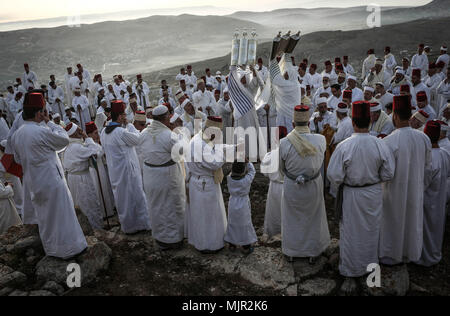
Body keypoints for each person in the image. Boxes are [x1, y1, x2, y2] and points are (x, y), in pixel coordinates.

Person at [10, 92, 87, 259]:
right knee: (62, 214)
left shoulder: (17, 134)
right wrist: (50, 123)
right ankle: (71, 249)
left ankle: (52, 250)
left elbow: (17, 158)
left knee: (46, 217)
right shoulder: (41, 131)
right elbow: (64, 141)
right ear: (39, 113)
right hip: (52, 181)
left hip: (34, 182)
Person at [327, 101, 395, 278]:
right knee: (371, 229)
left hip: (352, 194)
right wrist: (373, 178)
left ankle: (351, 269)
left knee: (351, 230)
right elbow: (389, 173)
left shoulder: (345, 146)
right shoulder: (380, 144)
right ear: (369, 122)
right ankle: (370, 267)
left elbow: (334, 175)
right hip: (373, 192)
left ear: (354, 123)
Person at [379, 95, 432, 265]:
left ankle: (390, 257)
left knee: (393, 222)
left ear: (394, 115)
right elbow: (428, 167)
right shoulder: (423, 138)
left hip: (394, 192)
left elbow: (385, 174)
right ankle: (409, 255)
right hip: (415, 190)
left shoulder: (389, 141)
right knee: (411, 222)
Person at [280, 105, 330, 262]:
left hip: (291, 185)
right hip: (313, 185)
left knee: (292, 218)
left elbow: (281, 169)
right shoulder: (321, 139)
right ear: (309, 123)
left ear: (293, 124)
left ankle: (291, 251)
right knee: (312, 217)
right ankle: (312, 252)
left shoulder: (284, 142)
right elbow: (321, 162)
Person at [100, 100, 151, 234]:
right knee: (136, 196)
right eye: (124, 115)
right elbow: (138, 139)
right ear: (120, 116)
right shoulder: (120, 132)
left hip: (115, 172)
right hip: (128, 172)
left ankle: (128, 226)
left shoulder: (104, 132)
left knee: (122, 199)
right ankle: (142, 224)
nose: (126, 117)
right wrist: (130, 125)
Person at [140, 105, 186, 249]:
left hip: (150, 175)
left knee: (156, 207)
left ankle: (160, 238)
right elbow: (182, 152)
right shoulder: (169, 135)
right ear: (165, 118)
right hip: (167, 176)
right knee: (172, 207)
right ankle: (173, 240)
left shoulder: (143, 133)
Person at [187, 116, 228, 254]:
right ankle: (209, 245)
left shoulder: (201, 138)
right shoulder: (200, 144)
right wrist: (224, 151)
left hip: (202, 183)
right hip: (203, 184)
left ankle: (209, 242)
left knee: (208, 215)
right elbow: (215, 162)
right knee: (207, 217)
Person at [415, 121, 450, 267]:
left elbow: (422, 183)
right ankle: (434, 254)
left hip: (428, 199)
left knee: (426, 229)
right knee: (436, 228)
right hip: (440, 197)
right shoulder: (444, 154)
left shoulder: (429, 159)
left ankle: (424, 258)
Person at [62, 123, 104, 230]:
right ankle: (94, 228)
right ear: (76, 133)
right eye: (80, 130)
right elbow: (98, 150)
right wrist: (87, 138)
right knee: (88, 203)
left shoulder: (70, 145)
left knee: (81, 203)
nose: (82, 132)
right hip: (81, 179)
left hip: (74, 178)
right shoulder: (76, 147)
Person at [224, 161, 257, 254]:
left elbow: (231, 172)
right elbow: (252, 171)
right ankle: (245, 245)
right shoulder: (246, 180)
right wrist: (248, 162)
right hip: (243, 204)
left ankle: (232, 244)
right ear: (243, 171)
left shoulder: (229, 178)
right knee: (244, 223)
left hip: (232, 203)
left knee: (232, 222)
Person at [261, 126, 287, 239]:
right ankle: (286, 233)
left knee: (274, 212)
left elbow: (264, 171)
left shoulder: (270, 155)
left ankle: (272, 232)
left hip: (274, 186)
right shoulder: (289, 152)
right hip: (287, 185)